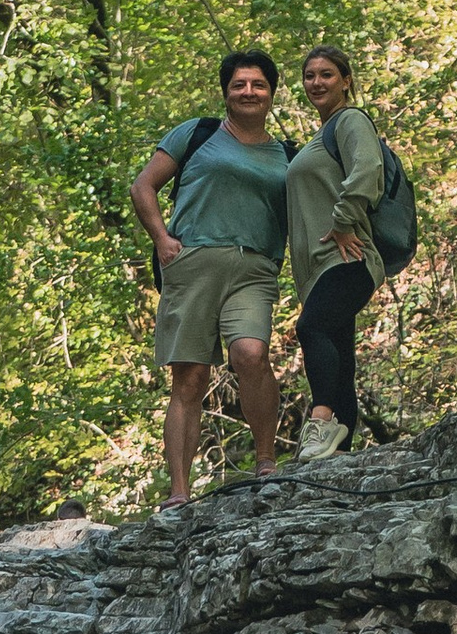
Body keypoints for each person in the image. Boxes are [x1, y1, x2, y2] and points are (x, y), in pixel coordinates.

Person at [130, 51, 293, 503]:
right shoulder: (198, 134)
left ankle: (266, 463)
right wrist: (162, 240)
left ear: (272, 93)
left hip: (255, 268)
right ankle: (179, 491)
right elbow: (143, 186)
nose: (248, 92)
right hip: (193, 264)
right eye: (239, 84)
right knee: (190, 377)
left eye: (258, 84)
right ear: (226, 92)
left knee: (251, 354)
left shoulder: (287, 155)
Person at [284, 43, 388, 458]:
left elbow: (368, 169)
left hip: (347, 257)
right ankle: (341, 451)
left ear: (346, 81)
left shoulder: (350, 120)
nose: (316, 83)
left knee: (312, 328)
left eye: (326, 74)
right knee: (339, 349)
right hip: (322, 265)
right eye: (309, 76)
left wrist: (343, 221)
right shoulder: (319, 137)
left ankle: (322, 421)